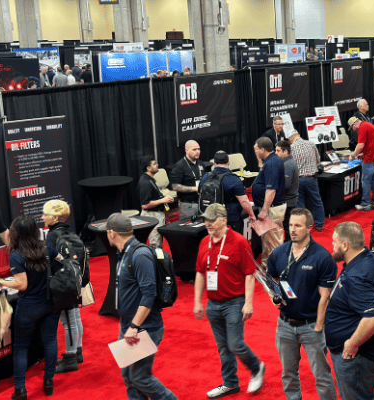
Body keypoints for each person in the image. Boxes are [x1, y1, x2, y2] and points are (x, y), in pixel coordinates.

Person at [194, 204, 265, 398]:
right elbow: (200, 273)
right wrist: (197, 301)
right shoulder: (204, 242)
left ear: (224, 220)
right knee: (223, 346)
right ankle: (230, 382)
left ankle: (256, 367)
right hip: (213, 303)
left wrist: (248, 303)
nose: (207, 223)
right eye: (206, 219)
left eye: (212, 219)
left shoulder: (239, 242)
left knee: (234, 344)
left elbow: (250, 274)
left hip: (234, 302)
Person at [105, 213, 179, 400]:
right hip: (129, 326)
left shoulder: (139, 255)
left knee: (139, 377)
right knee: (128, 377)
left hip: (143, 328)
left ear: (112, 233)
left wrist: (134, 327)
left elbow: (149, 294)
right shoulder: (124, 253)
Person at [266, 208, 337, 400]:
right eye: (290, 225)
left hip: (312, 326)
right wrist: (276, 293)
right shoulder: (279, 253)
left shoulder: (322, 257)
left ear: (309, 228)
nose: (292, 229)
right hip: (284, 325)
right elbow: (271, 278)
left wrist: (319, 327)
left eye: (298, 225)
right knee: (288, 374)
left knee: (322, 376)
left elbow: (325, 297)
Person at [0, 216, 60, 400]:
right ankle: (49, 382)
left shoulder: (16, 255)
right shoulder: (47, 247)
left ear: (16, 234)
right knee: (50, 341)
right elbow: (61, 262)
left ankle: (20, 390)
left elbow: (22, 285)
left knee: (21, 347)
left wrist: (0, 281)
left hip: (29, 306)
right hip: (51, 302)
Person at [325, 222, 374, 400]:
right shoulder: (366, 258)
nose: (332, 245)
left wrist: (352, 343)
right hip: (363, 355)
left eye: (334, 242)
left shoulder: (357, 276)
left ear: (345, 245)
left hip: (356, 358)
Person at [40, 200, 86, 374]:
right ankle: (77, 352)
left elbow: (50, 262)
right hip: (74, 281)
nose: (42, 217)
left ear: (55, 216)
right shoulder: (69, 232)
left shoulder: (53, 235)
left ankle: (71, 358)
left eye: (45, 214)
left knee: (69, 321)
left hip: (63, 283)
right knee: (74, 317)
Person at [198, 151, 257, 235]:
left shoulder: (205, 177)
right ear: (228, 163)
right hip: (230, 218)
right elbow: (244, 201)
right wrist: (252, 215)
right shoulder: (233, 179)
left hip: (211, 218)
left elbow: (199, 193)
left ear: (214, 163)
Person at [253, 137, 287, 266]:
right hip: (272, 207)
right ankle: (272, 265)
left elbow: (271, 190)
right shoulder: (270, 160)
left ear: (262, 150)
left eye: (256, 149)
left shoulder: (272, 163)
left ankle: (273, 268)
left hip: (271, 208)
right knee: (271, 239)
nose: (255, 151)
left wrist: (265, 211)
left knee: (272, 241)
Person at [287, 132, 326, 231]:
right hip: (311, 178)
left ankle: (303, 224)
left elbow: (290, 165)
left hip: (298, 179)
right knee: (316, 201)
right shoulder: (311, 143)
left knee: (300, 204)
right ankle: (319, 224)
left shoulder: (291, 148)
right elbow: (318, 160)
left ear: (291, 138)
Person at [348, 117, 374, 210]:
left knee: (366, 181)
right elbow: (372, 143)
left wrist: (353, 155)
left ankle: (365, 204)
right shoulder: (368, 125)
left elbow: (360, 145)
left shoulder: (362, 128)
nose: (353, 130)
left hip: (371, 159)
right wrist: (363, 154)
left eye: (352, 127)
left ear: (354, 124)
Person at [137, 156, 175, 247]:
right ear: (148, 168)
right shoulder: (145, 182)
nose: (157, 165)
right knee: (156, 245)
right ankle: (156, 261)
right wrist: (163, 200)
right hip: (151, 216)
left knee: (159, 243)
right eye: (154, 164)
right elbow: (145, 205)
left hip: (157, 215)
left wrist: (165, 199)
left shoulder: (151, 179)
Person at [168, 140, 204, 220]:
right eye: (194, 149)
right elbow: (175, 186)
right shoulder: (179, 166)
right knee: (189, 228)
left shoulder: (201, 164)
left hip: (201, 202)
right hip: (188, 205)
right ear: (186, 150)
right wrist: (194, 189)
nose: (197, 152)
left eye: (198, 149)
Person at [276, 140, 300, 225]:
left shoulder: (287, 165)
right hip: (289, 200)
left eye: (278, 151)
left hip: (288, 202)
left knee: (287, 227)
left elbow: (285, 185)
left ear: (285, 151)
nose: (276, 153)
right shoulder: (288, 162)